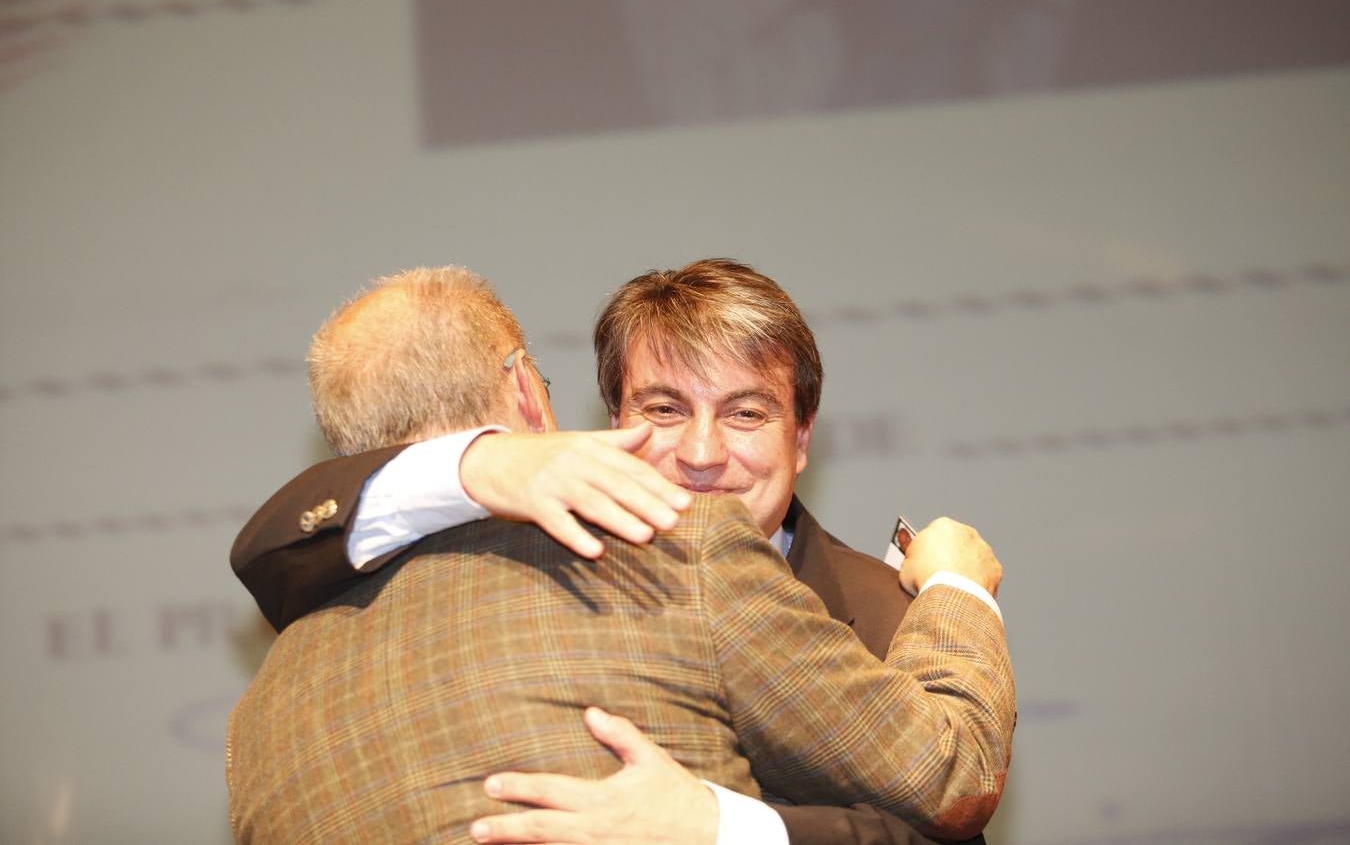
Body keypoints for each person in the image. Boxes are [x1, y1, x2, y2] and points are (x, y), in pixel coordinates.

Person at [231, 260, 1012, 844]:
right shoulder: (660, 561)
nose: (703, 452)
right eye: (664, 408)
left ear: (801, 437)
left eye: (745, 412)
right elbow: (949, 773)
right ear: (588, 415)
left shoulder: (253, 727)